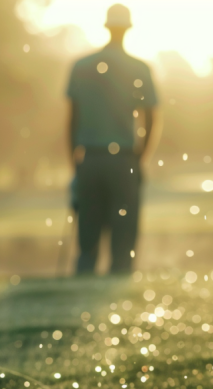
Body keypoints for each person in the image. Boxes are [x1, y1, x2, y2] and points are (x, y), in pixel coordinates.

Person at [66, 4, 160, 274]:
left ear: (106, 27)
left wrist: (74, 160)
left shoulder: (80, 67)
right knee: (124, 234)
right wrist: (141, 158)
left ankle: (82, 286)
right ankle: (117, 283)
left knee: (88, 231)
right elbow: (151, 119)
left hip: (89, 158)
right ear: (127, 29)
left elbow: (71, 120)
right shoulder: (139, 68)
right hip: (124, 160)